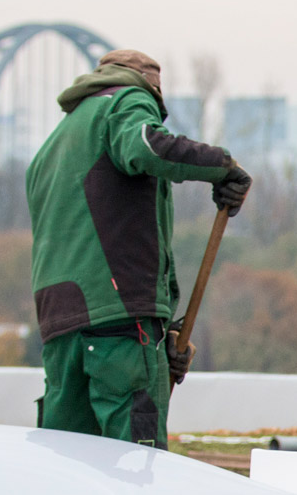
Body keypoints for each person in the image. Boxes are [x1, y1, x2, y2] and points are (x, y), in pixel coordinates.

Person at [27, 50, 252, 448]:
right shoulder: (128, 98)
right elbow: (147, 147)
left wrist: (165, 333)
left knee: (64, 460)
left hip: (60, 323)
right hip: (120, 317)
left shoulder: (53, 145)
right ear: (152, 86)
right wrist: (222, 166)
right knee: (136, 464)